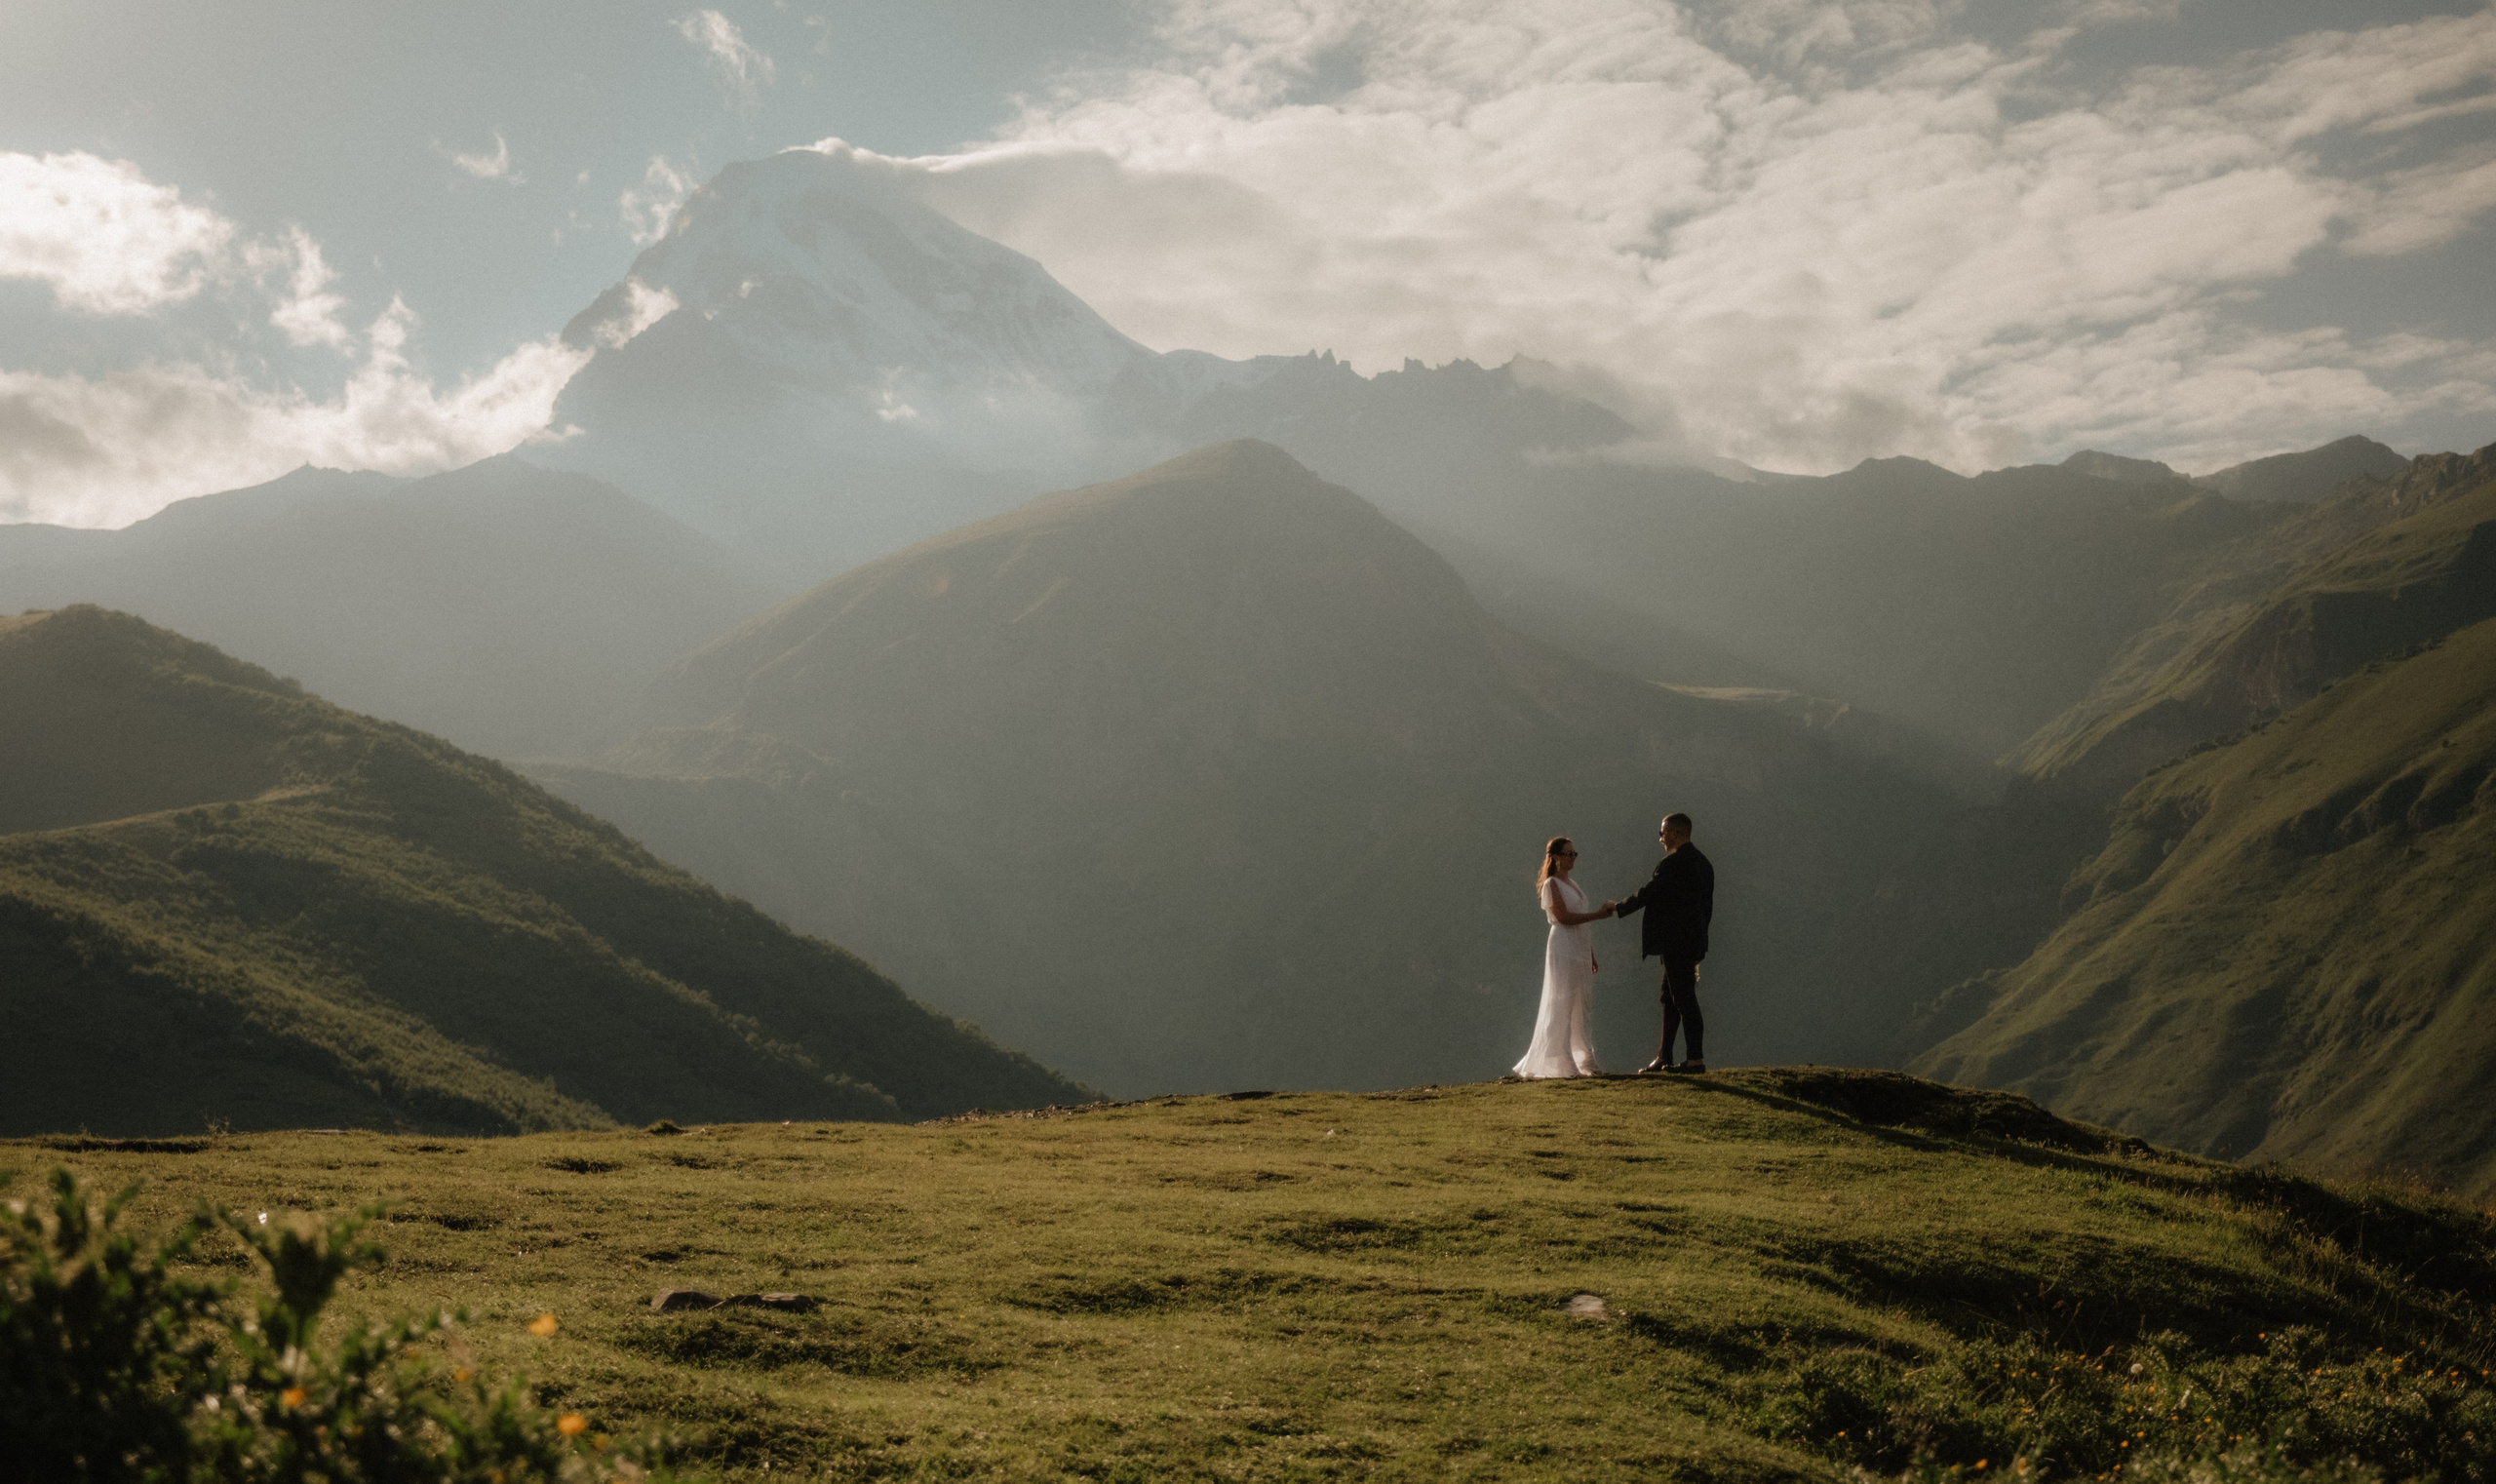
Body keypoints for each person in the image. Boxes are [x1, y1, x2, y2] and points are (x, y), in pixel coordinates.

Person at [1605, 811, 1715, 1074]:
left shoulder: (1673, 863)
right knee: (1671, 997)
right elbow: (1707, 908)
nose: (1661, 838)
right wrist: (1701, 943)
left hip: (1675, 941)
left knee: (1684, 998)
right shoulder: (1704, 864)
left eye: (1663, 833)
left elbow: (1649, 892)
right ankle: (1664, 1056)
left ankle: (1694, 1060)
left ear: (1676, 833)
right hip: (1693, 941)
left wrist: (1619, 906)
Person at [1511, 836, 1615, 1079]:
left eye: (1574, 853)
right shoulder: (1551, 885)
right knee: (1563, 1000)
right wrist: (1598, 915)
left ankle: (1584, 1058)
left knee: (1581, 1002)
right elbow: (1563, 917)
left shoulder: (1573, 884)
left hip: (1578, 946)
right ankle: (1560, 1059)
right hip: (1563, 946)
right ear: (1556, 857)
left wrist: (1590, 954)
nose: (1573, 858)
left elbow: (1578, 922)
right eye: (1568, 854)